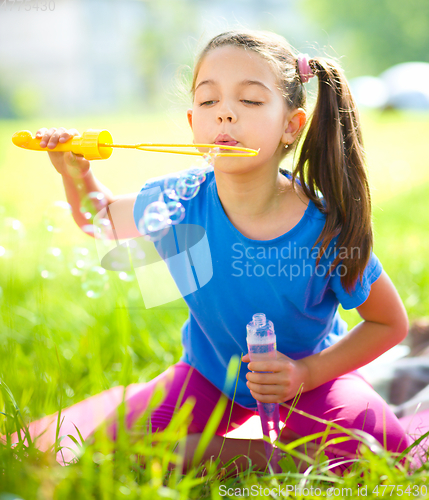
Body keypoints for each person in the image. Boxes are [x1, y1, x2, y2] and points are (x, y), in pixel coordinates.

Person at [32, 29, 410, 474]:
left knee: (374, 449)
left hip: (310, 381)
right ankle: (266, 457)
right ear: (193, 123)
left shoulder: (327, 228)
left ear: (292, 125)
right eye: (209, 102)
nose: (225, 114)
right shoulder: (180, 200)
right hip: (210, 377)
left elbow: (389, 322)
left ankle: (229, 452)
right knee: (108, 452)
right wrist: (75, 174)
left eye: (249, 101)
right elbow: (100, 220)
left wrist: (306, 373)